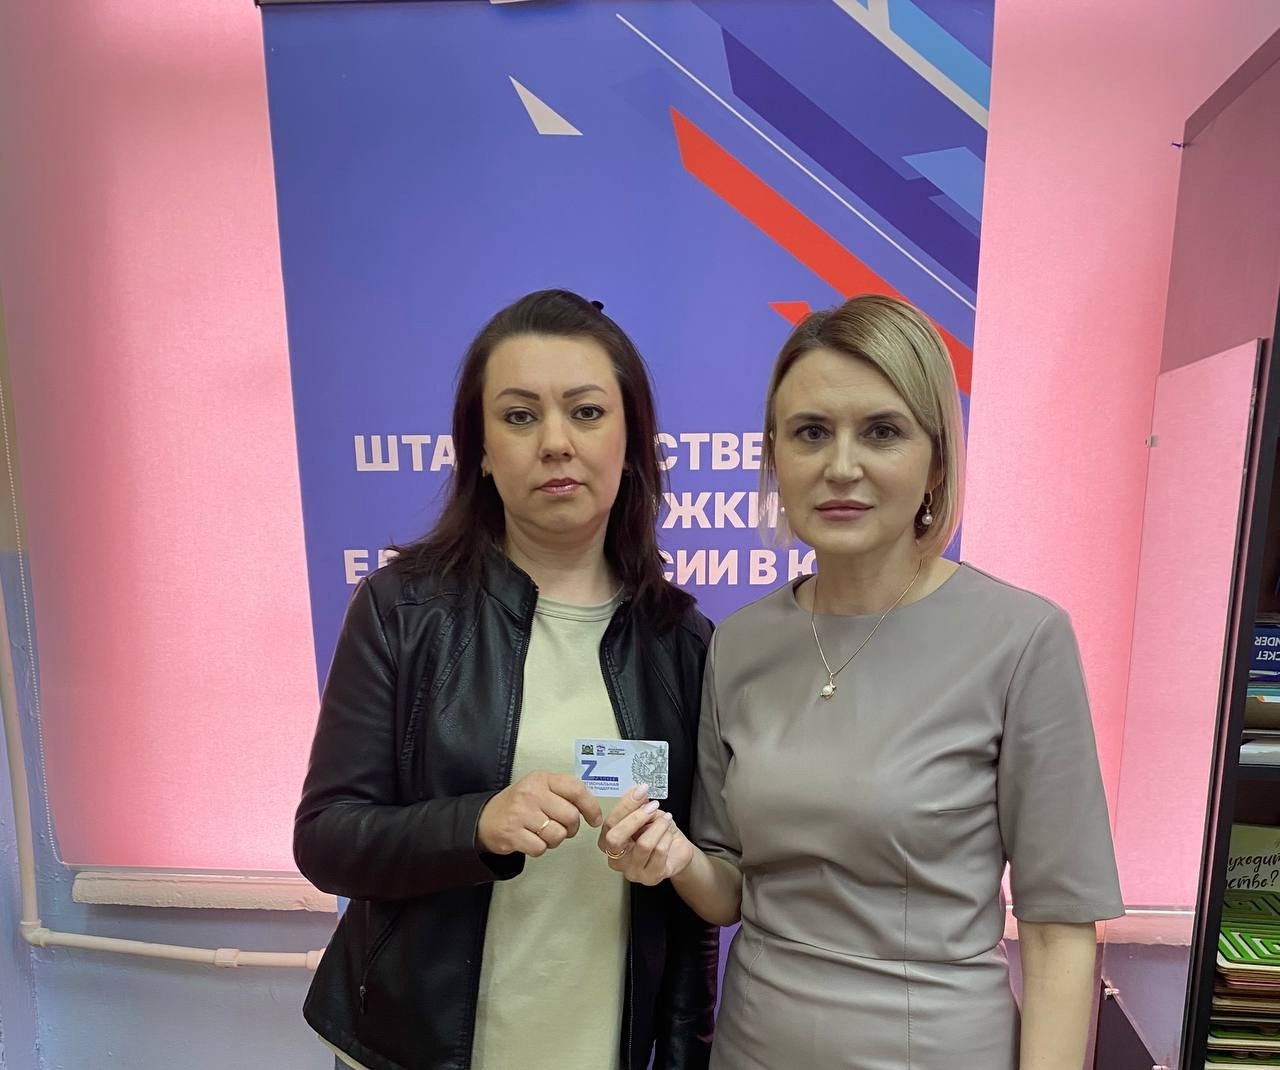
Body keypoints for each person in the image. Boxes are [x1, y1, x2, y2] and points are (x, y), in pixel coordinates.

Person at [600, 294, 1124, 1069]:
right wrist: (675, 859)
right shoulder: (739, 643)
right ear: (775, 456)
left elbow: (1058, 929)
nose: (841, 466)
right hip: (753, 1048)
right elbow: (730, 885)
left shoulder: (1021, 640)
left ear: (936, 461)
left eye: (881, 431)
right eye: (811, 433)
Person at [295, 289, 718, 1070]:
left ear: (630, 440)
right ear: (482, 450)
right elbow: (326, 840)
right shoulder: (403, 610)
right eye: (520, 416)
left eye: (586, 412)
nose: (555, 442)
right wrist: (476, 824)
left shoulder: (682, 646)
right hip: (415, 1052)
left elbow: (690, 902)